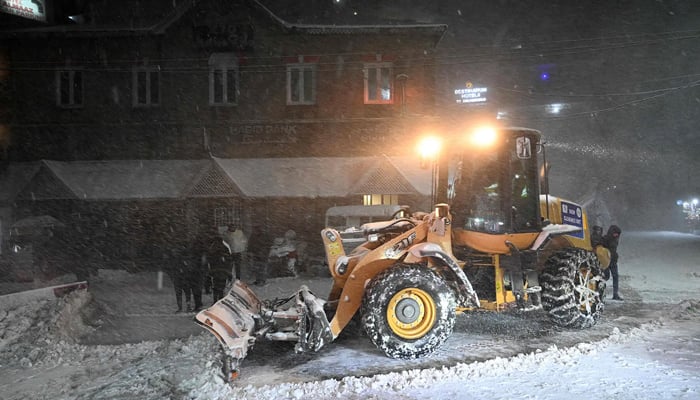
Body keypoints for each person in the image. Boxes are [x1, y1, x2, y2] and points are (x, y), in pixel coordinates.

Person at [206, 234, 232, 303]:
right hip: (223, 271)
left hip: (215, 271)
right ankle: (220, 299)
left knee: (215, 286)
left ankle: (215, 300)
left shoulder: (212, 248)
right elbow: (229, 260)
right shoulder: (225, 247)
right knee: (221, 286)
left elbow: (209, 260)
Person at [602, 224, 623, 300]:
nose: (617, 235)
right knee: (605, 277)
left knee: (615, 277)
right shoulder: (605, 239)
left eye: (618, 234)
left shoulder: (615, 239)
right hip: (606, 260)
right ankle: (600, 293)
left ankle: (615, 294)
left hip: (613, 261)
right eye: (615, 233)